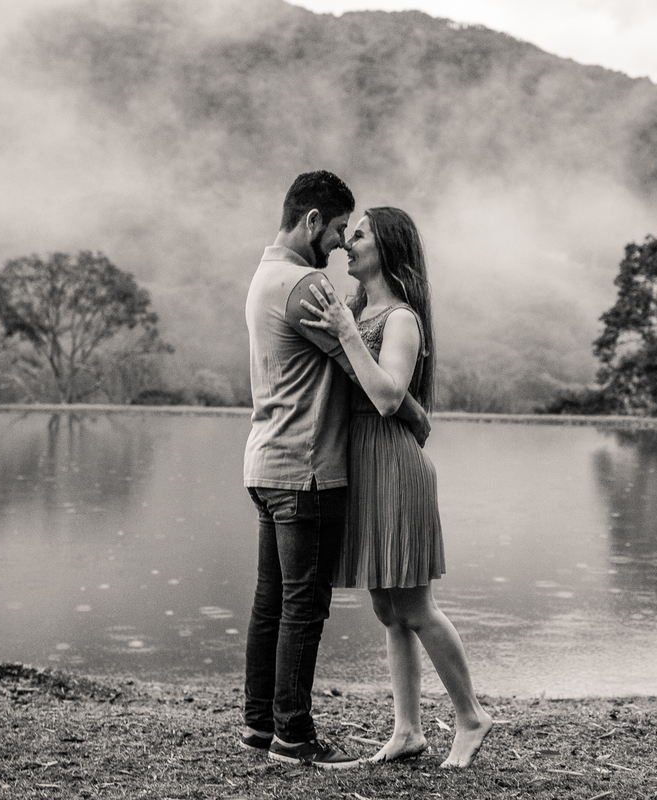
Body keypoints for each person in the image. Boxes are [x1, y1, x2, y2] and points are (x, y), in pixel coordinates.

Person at [242, 173, 430, 770]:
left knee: (271, 601)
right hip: (305, 470)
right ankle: (292, 734)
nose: (341, 243)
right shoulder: (307, 286)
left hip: (265, 460)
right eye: (339, 229)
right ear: (313, 220)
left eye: (355, 233)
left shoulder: (264, 276)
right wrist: (420, 419)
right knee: (303, 606)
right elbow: (366, 376)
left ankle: (258, 722)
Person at [300, 207, 493, 769]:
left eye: (358, 236)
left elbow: (386, 396)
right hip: (363, 462)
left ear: (385, 247)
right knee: (388, 606)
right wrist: (343, 325)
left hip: (393, 466)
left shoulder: (401, 319)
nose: (347, 245)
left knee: (414, 603)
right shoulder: (363, 311)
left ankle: (471, 716)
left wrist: (344, 332)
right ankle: (407, 730)